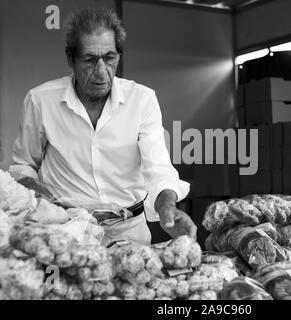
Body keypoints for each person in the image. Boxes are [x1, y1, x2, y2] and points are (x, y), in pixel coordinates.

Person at [8, 8, 197, 245]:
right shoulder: (41, 101)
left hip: (130, 232)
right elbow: (23, 165)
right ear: (71, 58)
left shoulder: (142, 100)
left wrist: (168, 207)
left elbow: (158, 168)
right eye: (89, 59)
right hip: (68, 233)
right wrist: (42, 198)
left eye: (110, 58)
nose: (101, 71)